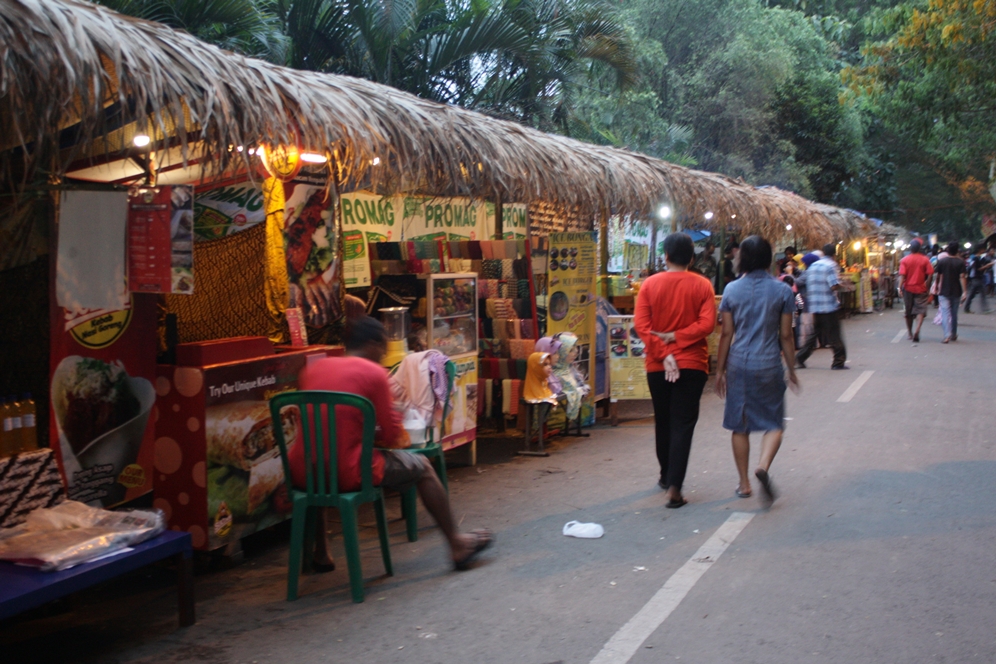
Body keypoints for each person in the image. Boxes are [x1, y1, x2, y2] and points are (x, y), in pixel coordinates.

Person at [290, 316, 493, 572]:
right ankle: (457, 545)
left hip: (303, 469)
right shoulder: (374, 373)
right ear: (374, 344)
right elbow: (395, 437)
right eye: (384, 347)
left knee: (322, 457)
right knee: (423, 468)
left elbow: (326, 428)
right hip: (347, 470)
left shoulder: (313, 369)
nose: (384, 354)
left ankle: (321, 552)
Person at [634, 232, 717, 508]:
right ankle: (674, 487)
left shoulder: (649, 285)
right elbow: (707, 325)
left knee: (663, 420)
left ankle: (665, 475)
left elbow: (642, 327)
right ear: (692, 258)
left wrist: (664, 352)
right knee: (682, 424)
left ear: (665, 256)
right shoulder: (703, 285)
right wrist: (678, 340)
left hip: (657, 366)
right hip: (692, 364)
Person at [716, 236, 799, 504]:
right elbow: (786, 336)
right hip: (768, 364)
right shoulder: (783, 291)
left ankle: (744, 485)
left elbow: (726, 333)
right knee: (774, 423)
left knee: (739, 427)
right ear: (769, 258)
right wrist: (792, 369)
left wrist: (719, 371)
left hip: (739, 363)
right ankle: (762, 465)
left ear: (743, 258)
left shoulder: (731, 290)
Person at [795, 244, 848, 369]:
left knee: (814, 334)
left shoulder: (813, 266)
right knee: (834, 334)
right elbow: (833, 285)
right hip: (828, 306)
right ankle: (838, 361)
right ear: (834, 255)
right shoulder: (830, 266)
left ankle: (800, 357)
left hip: (815, 306)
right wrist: (843, 286)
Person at [898, 239, 934, 341]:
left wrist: (899, 287)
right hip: (921, 288)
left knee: (908, 312)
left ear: (910, 249)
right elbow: (930, 273)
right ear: (919, 248)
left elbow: (902, 275)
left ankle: (910, 333)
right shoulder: (925, 259)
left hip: (908, 289)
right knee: (921, 310)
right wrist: (927, 285)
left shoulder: (904, 260)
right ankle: (917, 330)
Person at [550, 332, 590, 422]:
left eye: (575, 349)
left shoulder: (570, 369)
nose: (575, 353)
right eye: (570, 350)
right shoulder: (556, 375)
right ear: (562, 352)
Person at [934, 242, 967, 343]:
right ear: (957, 251)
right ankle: (953, 334)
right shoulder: (961, 262)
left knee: (945, 313)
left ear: (947, 251)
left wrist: (936, 286)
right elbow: (962, 277)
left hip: (944, 290)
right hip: (956, 291)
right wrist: (965, 291)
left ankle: (946, 335)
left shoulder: (942, 261)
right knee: (954, 313)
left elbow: (938, 276)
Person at [964, 245, 993, 313]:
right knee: (980, 293)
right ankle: (985, 309)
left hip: (976, 278)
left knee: (973, 294)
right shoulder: (976, 259)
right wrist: (987, 265)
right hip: (976, 278)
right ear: (980, 250)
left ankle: (967, 308)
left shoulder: (977, 258)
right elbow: (978, 269)